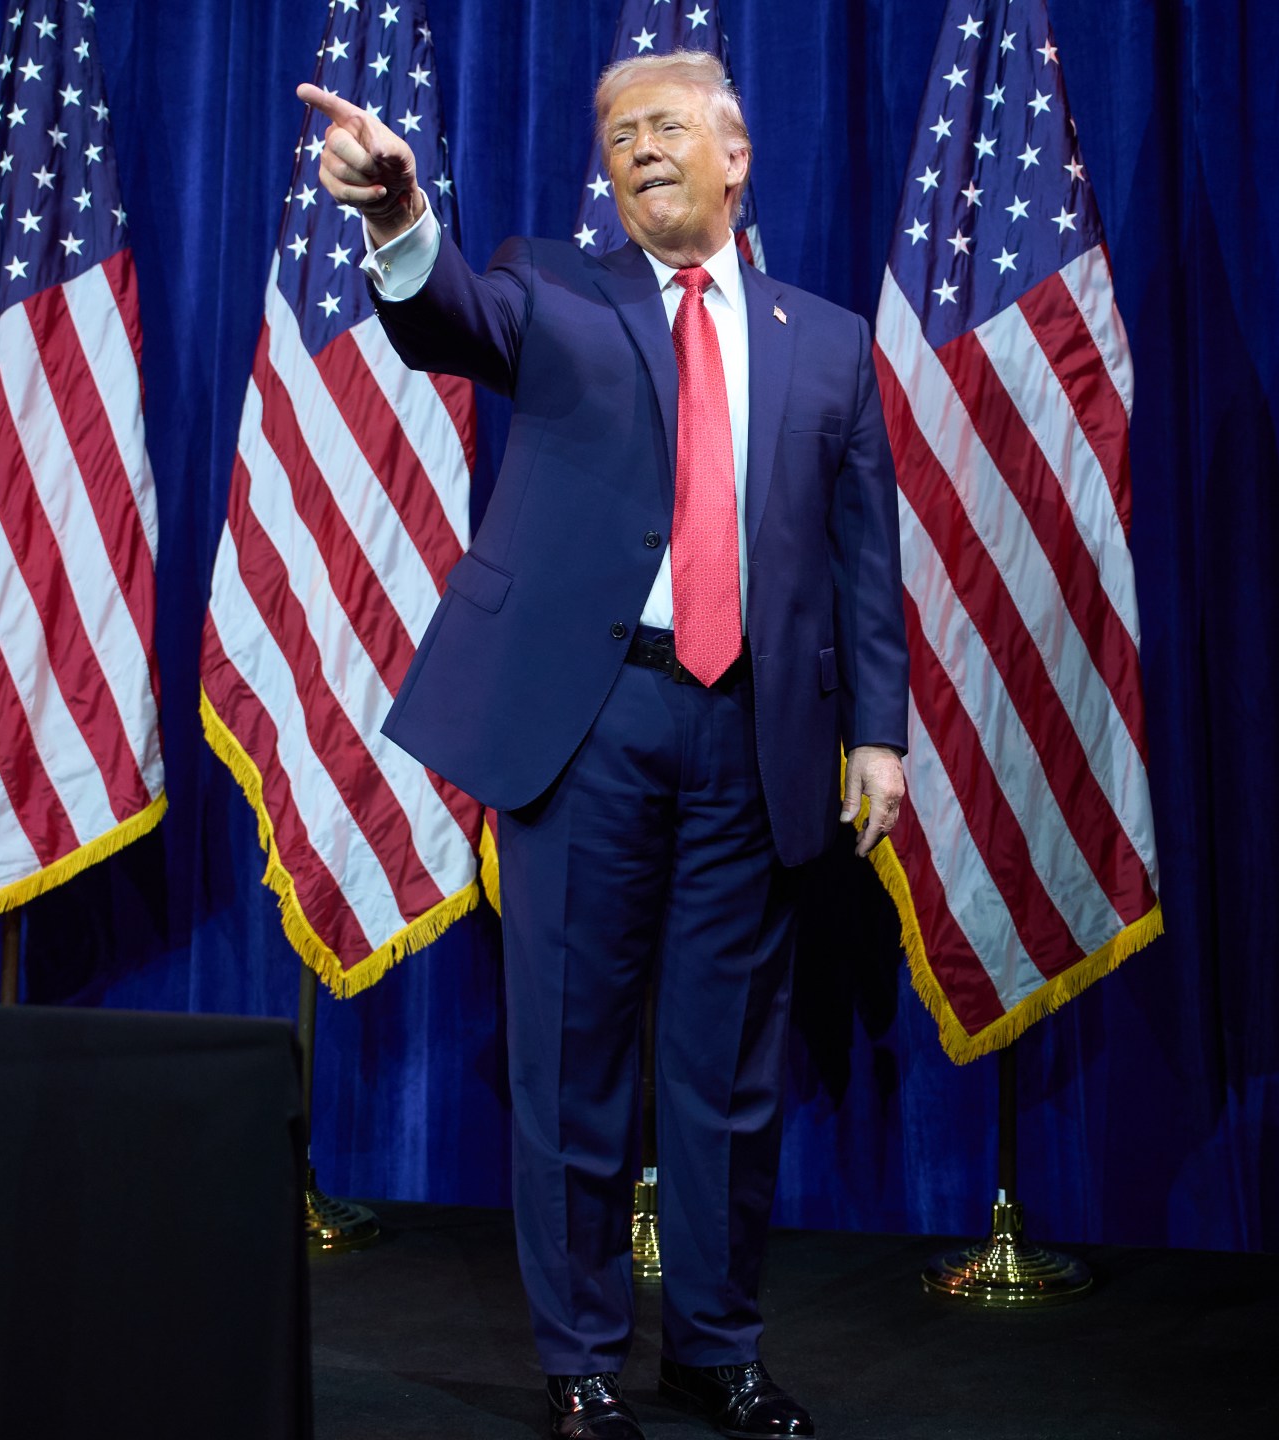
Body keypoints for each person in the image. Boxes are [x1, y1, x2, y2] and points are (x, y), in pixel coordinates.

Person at [300, 48, 908, 1440]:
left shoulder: (831, 343)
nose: (637, 150)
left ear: (736, 154)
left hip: (757, 732)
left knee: (730, 1077)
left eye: (664, 127)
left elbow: (865, 562)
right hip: (590, 724)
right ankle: (580, 1358)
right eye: (617, 134)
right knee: (571, 1063)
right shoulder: (555, 291)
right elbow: (446, 316)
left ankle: (716, 1348)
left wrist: (879, 734)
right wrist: (398, 215)